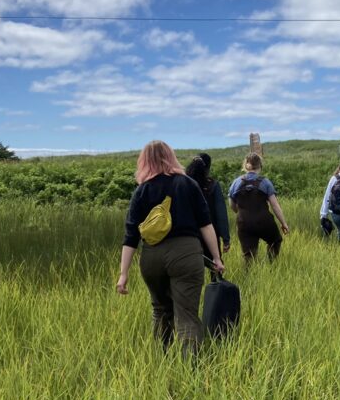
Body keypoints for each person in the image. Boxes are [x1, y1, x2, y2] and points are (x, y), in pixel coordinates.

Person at [116, 140, 224, 356]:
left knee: (160, 310)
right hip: (186, 253)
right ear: (171, 157)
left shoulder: (142, 190)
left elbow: (131, 236)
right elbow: (206, 224)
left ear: (144, 161)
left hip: (151, 256)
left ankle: (161, 361)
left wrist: (123, 274)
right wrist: (216, 258)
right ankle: (191, 370)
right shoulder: (188, 184)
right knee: (187, 314)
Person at [227, 153, 290, 262]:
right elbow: (275, 206)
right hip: (264, 221)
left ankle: (249, 275)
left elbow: (231, 204)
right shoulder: (265, 182)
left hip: (244, 223)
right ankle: (271, 265)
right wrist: (283, 223)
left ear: (245, 165)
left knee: (248, 255)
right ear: (260, 166)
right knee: (275, 240)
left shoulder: (236, 183)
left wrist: (241, 213)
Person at [185, 153, 230, 254]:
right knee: (216, 266)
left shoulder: (183, 184)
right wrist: (226, 238)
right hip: (211, 234)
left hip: (188, 235)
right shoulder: (213, 185)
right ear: (208, 167)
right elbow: (221, 213)